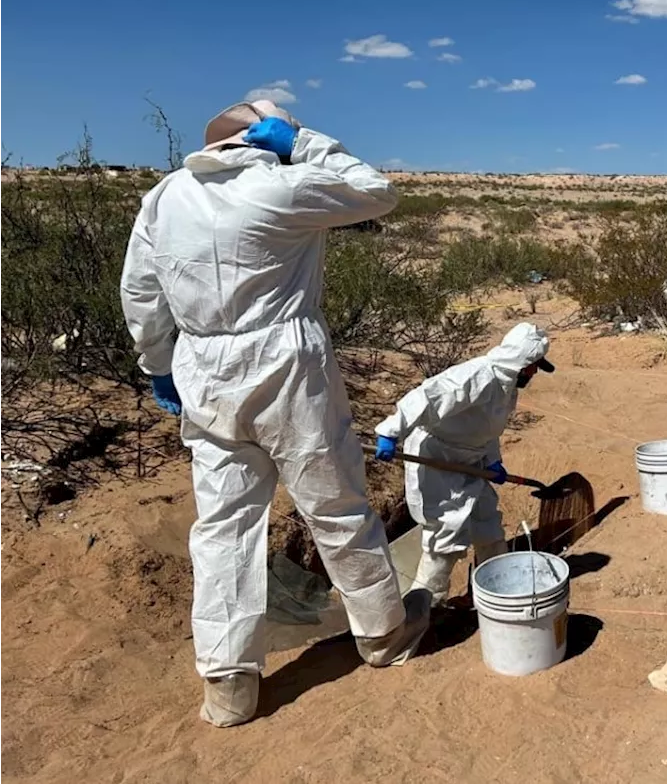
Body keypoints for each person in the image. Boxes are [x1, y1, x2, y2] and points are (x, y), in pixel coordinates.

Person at [120, 100, 431, 729]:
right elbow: (377, 190)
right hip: (286, 361)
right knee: (332, 498)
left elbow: (140, 288)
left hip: (202, 366)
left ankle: (228, 681)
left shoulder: (164, 196)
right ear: (264, 138)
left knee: (224, 522)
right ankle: (382, 632)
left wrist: (158, 362)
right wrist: (306, 139)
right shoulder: (282, 185)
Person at [373, 323, 554, 607]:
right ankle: (425, 607)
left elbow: (487, 429)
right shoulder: (477, 376)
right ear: (520, 361)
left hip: (472, 460)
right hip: (437, 460)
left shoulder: (507, 386)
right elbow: (426, 396)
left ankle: (496, 588)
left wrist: (493, 462)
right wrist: (390, 431)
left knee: (488, 524)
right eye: (532, 366)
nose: (533, 373)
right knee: (444, 534)